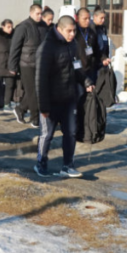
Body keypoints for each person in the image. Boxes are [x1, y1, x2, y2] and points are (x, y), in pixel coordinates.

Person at [35, 15, 94, 178]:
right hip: (51, 100)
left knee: (71, 133)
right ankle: (41, 163)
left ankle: (68, 165)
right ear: (59, 29)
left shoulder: (73, 45)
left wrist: (86, 81)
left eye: (74, 31)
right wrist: (43, 107)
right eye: (69, 31)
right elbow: (40, 79)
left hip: (69, 99)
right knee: (47, 134)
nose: (72, 34)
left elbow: (77, 68)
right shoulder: (47, 48)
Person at [9, 4, 44, 127]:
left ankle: (21, 109)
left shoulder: (43, 27)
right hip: (26, 64)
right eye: (37, 13)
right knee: (32, 91)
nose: (40, 16)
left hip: (40, 64)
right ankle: (35, 118)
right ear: (31, 13)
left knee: (36, 91)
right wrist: (12, 66)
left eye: (41, 13)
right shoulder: (23, 27)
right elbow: (15, 47)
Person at [74, 8, 107, 85]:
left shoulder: (91, 32)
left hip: (90, 69)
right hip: (77, 70)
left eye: (89, 18)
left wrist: (103, 58)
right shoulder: (74, 32)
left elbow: (96, 49)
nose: (88, 21)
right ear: (77, 18)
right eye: (85, 19)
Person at [0, 19, 16, 112]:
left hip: (10, 64)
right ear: (3, 27)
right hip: (0, 63)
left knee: (10, 85)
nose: (10, 29)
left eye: (11, 27)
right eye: (8, 27)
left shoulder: (14, 36)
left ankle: (7, 103)